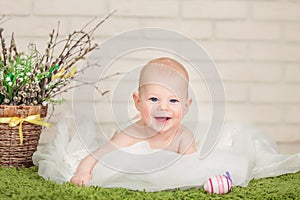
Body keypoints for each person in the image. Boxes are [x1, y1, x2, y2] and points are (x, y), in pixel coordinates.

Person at [70, 57, 197, 185]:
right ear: (138, 102)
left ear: (186, 106)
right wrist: (83, 172)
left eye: (173, 101)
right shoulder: (132, 134)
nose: (163, 107)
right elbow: (98, 155)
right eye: (153, 99)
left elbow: (193, 169)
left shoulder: (183, 137)